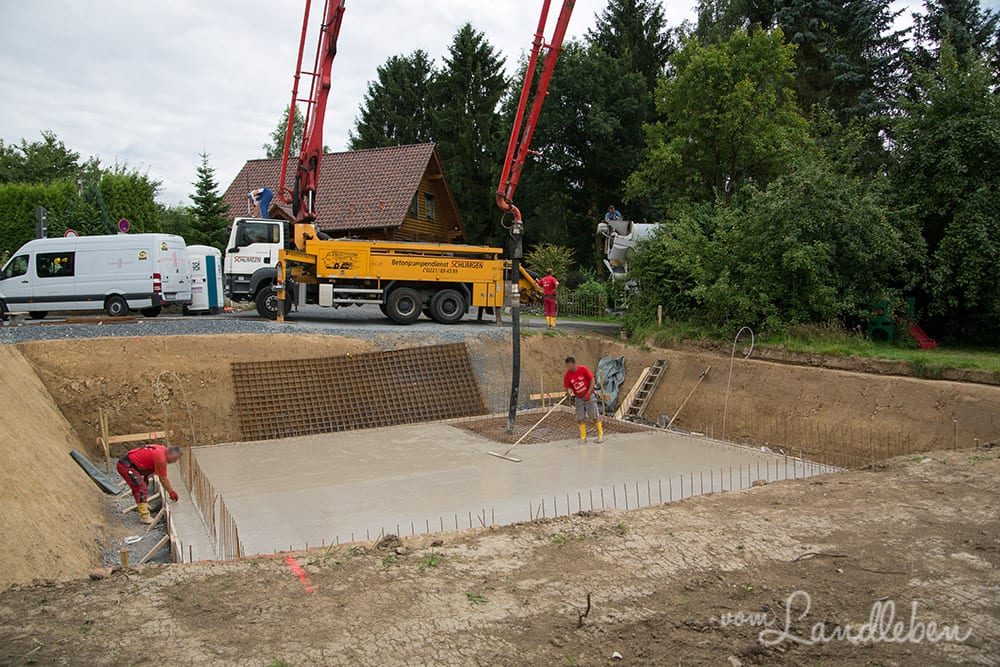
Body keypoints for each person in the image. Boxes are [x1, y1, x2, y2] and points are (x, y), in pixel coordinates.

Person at [117, 444, 183, 525]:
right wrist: (171, 492)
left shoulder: (162, 449)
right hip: (126, 466)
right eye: (174, 459)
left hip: (129, 463)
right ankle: (144, 517)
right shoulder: (161, 458)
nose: (174, 461)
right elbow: (163, 479)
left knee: (142, 485)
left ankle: (143, 505)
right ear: (170, 454)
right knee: (140, 488)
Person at [564, 357, 604, 444]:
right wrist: (569, 391)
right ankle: (583, 437)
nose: (569, 368)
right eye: (567, 367)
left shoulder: (583, 370)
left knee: (594, 416)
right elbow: (568, 386)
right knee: (580, 418)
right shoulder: (567, 375)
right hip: (578, 398)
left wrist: (588, 393)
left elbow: (592, 381)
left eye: (570, 366)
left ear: (574, 364)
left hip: (589, 397)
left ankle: (600, 435)